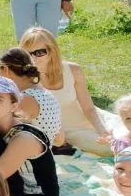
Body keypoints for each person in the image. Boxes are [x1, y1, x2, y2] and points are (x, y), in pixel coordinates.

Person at [21, 27, 111, 155]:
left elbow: (89, 108)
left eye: (40, 52)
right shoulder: (25, 81)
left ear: (52, 51)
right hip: (67, 132)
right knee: (115, 146)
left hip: (95, 119)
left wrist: (102, 130)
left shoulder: (73, 70)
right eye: (27, 53)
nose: (33, 58)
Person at [0, 47, 61, 146]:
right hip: (43, 156)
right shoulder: (44, 93)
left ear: (5, 69)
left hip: (28, 159)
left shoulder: (24, 99)